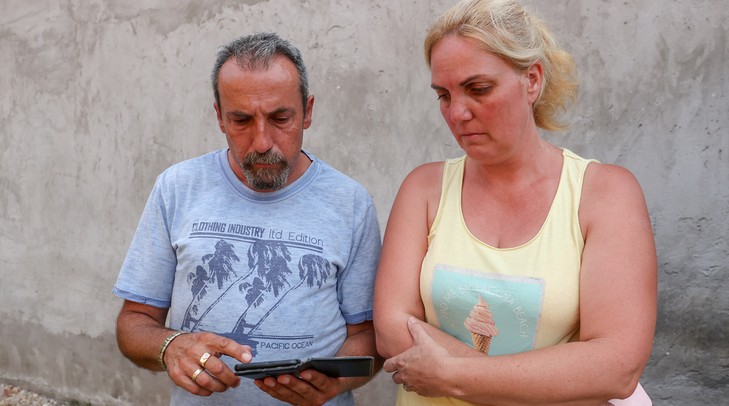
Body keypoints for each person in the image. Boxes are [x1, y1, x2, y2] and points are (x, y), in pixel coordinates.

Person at [373, 0, 657, 404]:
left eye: (478, 89)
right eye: (444, 95)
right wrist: (553, 384)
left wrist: (451, 375)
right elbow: (391, 330)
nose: (457, 113)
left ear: (532, 81)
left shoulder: (603, 194)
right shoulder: (424, 189)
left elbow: (616, 365)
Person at [113, 32, 383, 406]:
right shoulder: (177, 188)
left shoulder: (350, 203)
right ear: (219, 117)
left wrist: (333, 383)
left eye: (280, 118)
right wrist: (171, 346)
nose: (261, 142)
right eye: (241, 120)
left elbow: (370, 336)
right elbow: (133, 323)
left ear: (307, 112)